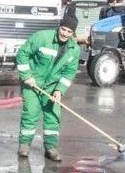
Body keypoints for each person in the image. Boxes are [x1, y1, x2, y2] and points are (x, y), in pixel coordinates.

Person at [15, 12, 81, 162]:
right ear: (59, 27)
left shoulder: (74, 50)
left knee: (53, 115)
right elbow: (22, 54)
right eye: (63, 29)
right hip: (32, 83)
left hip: (52, 86)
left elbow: (69, 73)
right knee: (31, 113)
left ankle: (51, 148)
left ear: (73, 33)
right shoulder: (42, 37)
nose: (65, 33)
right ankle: (24, 145)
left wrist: (59, 90)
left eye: (69, 31)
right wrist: (27, 76)